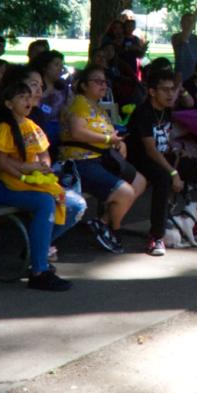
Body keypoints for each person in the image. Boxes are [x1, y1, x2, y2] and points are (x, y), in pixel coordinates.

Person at [0, 80, 86, 291]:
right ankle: (39, 270)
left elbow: (44, 154)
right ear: (9, 104)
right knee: (46, 202)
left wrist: (44, 167)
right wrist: (25, 172)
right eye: (22, 97)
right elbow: (0, 161)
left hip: (33, 178)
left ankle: (33, 250)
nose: (28, 101)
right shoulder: (3, 127)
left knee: (72, 204)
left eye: (29, 97)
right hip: (10, 182)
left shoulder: (33, 126)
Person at [126, 68, 197, 255]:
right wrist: (173, 172)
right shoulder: (143, 113)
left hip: (163, 157)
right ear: (152, 91)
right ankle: (156, 236)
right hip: (142, 160)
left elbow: (164, 139)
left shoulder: (166, 111)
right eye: (165, 90)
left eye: (172, 89)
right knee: (164, 178)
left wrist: (176, 150)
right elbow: (150, 149)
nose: (171, 94)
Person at [61, 66, 146, 254]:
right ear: (83, 85)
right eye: (97, 81)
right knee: (125, 193)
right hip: (80, 162)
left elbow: (109, 133)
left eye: (105, 82)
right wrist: (109, 140)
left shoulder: (98, 107)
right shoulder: (80, 103)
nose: (103, 85)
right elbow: (77, 131)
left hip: (103, 158)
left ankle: (103, 222)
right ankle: (113, 229)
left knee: (139, 181)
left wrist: (118, 143)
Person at [30, 49, 70, 118]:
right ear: (45, 66)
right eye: (56, 65)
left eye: (62, 65)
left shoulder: (64, 89)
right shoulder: (33, 87)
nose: (60, 69)